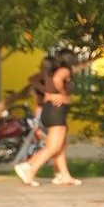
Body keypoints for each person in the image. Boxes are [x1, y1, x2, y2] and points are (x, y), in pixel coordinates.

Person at [13, 55, 78, 186]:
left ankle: (64, 176)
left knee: (60, 146)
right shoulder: (63, 70)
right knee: (53, 147)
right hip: (56, 113)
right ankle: (29, 168)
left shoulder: (48, 74)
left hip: (49, 111)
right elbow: (57, 80)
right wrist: (63, 94)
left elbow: (37, 81)